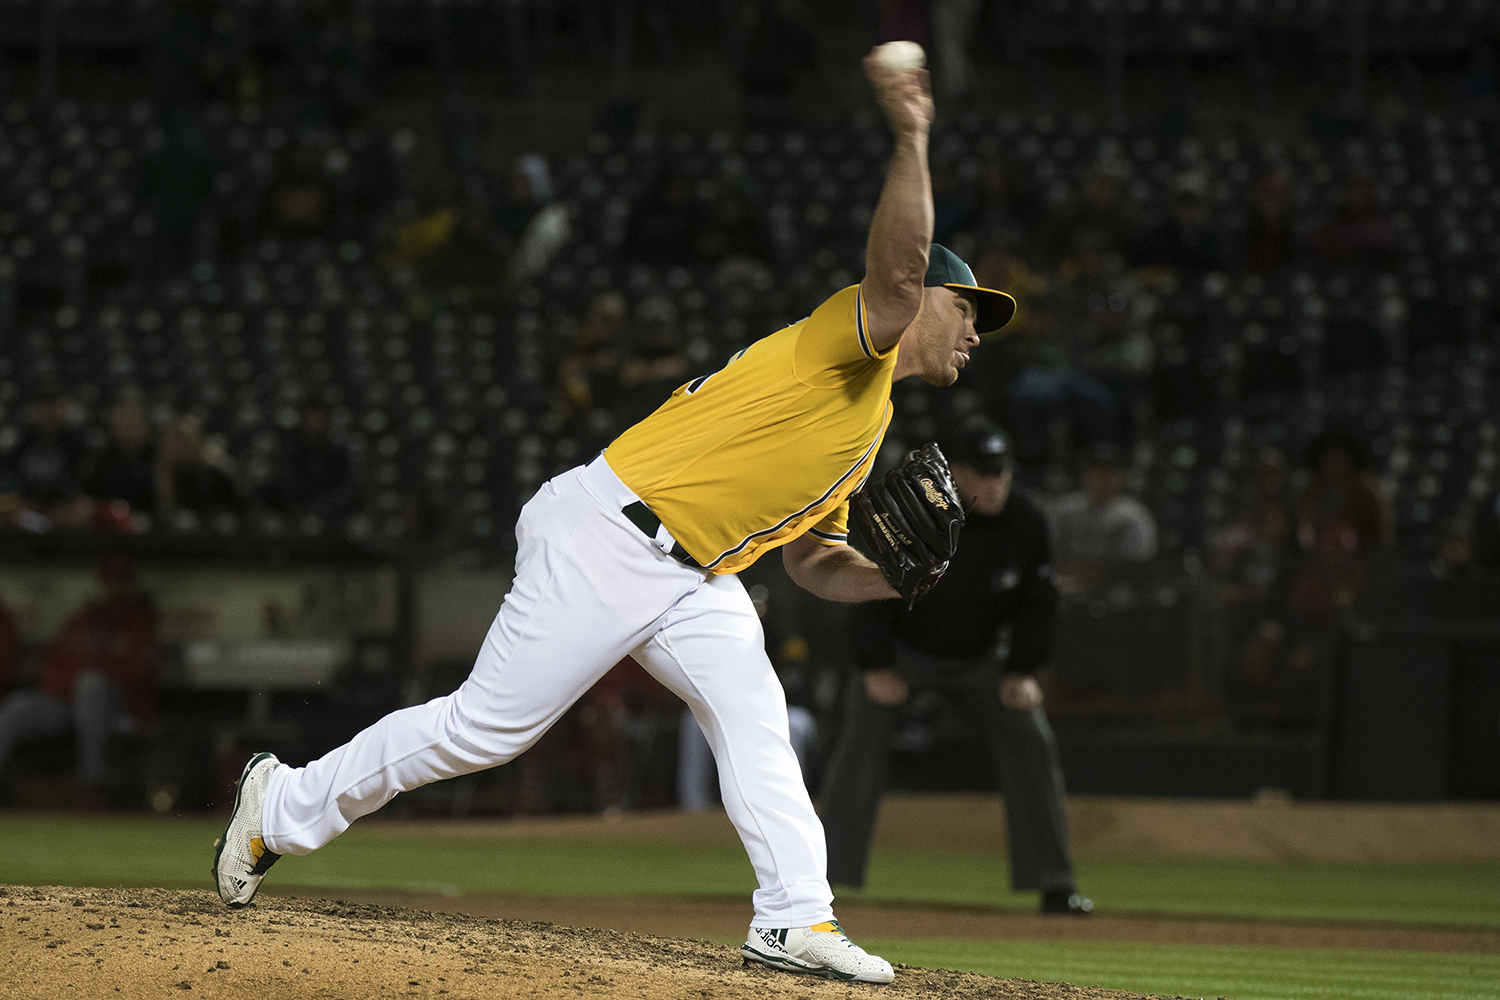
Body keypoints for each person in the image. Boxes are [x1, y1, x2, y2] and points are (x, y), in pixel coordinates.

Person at [213, 51, 1016, 987]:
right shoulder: (850, 340)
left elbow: (812, 562)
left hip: (697, 576)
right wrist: (913, 136)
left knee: (756, 716)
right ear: (924, 301)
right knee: (486, 731)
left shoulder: (865, 428)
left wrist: (894, 579)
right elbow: (899, 270)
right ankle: (281, 802)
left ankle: (795, 919)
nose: (975, 331)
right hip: (609, 533)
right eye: (967, 310)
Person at [820, 417, 1090, 915]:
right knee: (860, 738)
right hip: (905, 654)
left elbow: (1039, 605)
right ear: (957, 473)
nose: (995, 483)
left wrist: (1022, 670)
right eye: (983, 472)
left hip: (983, 660)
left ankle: (1055, 883)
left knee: (1031, 737)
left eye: (1002, 472)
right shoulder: (917, 512)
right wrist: (876, 665)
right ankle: (820, 883)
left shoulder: (1026, 520)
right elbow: (866, 590)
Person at [0, 557, 157, 806]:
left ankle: (91, 783)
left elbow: (135, 674)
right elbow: (50, 664)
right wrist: (66, 685)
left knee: (90, 685)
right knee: (18, 705)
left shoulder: (138, 623)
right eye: (109, 581)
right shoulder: (83, 620)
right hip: (63, 701)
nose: (114, 588)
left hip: (113, 705)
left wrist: (84, 678)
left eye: (120, 582)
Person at [1047, 442, 1158, 580]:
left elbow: (1135, 566)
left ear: (1122, 476)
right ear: (1085, 474)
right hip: (1065, 582)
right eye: (1097, 471)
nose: (1103, 478)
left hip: (1113, 587)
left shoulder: (1135, 515)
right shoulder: (1064, 508)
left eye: (1109, 472)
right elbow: (1048, 551)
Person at [261, 398, 357, 517]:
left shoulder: (340, 453)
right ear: (302, 420)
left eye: (319, 419)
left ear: (328, 421)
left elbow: (347, 486)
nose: (314, 424)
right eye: (311, 419)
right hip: (295, 512)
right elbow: (286, 483)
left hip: (333, 514)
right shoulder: (289, 451)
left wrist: (325, 505)